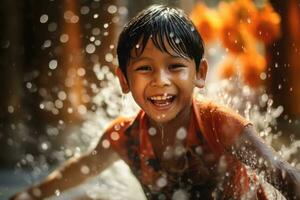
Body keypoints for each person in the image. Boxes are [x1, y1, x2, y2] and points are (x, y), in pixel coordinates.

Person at [11, 4, 300, 200]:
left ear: (199, 74)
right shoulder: (125, 137)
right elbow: (72, 173)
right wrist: (26, 195)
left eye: (175, 66)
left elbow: (282, 173)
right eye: (145, 68)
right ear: (124, 80)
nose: (160, 80)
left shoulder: (219, 124)